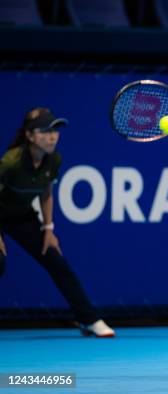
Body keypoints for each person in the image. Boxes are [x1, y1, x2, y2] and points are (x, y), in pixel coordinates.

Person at [0, 108, 115, 338]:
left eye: (55, 130)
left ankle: (89, 320)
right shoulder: (11, 162)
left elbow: (46, 193)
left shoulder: (54, 160)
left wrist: (48, 229)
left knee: (57, 262)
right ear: (30, 136)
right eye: (45, 131)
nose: (52, 136)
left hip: (22, 216)